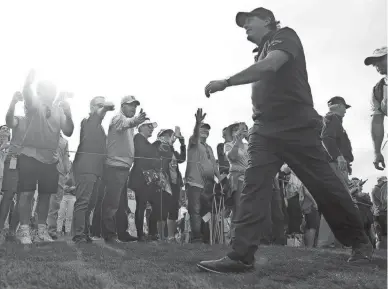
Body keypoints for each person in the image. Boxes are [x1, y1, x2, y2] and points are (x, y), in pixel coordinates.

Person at [199, 7, 372, 273]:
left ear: (267, 20)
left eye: (249, 21)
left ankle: (360, 243)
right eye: (242, 23)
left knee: (324, 185)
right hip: (264, 129)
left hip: (297, 125)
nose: (244, 26)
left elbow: (271, 66)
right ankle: (241, 255)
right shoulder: (260, 51)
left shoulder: (284, 36)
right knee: (253, 186)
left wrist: (227, 81)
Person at [16, 70, 74, 245]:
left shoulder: (58, 109)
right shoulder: (34, 103)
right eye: (48, 88)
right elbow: (27, 93)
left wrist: (69, 112)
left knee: (45, 196)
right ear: (40, 91)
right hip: (30, 154)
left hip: (51, 159)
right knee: (26, 194)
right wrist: (28, 82)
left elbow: (68, 131)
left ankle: (42, 230)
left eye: (53, 89)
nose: (52, 91)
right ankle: (24, 230)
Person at [101, 95, 146, 243]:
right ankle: (109, 234)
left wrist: (134, 122)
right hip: (115, 166)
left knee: (121, 204)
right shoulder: (118, 119)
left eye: (135, 105)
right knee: (112, 202)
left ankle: (121, 232)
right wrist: (136, 121)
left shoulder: (128, 125)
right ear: (122, 106)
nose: (134, 108)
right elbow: (126, 123)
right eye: (130, 105)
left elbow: (128, 124)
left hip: (122, 167)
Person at [71, 96, 115, 244]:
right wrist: (106, 108)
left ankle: (84, 233)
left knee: (91, 203)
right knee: (83, 202)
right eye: (99, 105)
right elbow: (98, 116)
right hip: (86, 168)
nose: (102, 107)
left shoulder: (100, 127)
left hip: (97, 171)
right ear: (91, 108)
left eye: (103, 104)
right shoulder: (88, 121)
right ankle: (78, 235)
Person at [185, 109, 222, 243]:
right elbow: (195, 134)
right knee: (195, 210)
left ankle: (206, 237)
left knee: (206, 211)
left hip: (209, 184)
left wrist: (219, 179)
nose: (205, 130)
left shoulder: (210, 148)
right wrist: (197, 123)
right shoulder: (193, 142)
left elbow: (214, 165)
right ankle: (196, 238)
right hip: (195, 182)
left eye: (207, 129)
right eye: (203, 128)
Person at [129, 119, 161, 241]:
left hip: (149, 178)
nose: (151, 128)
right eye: (148, 126)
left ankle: (152, 232)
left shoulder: (147, 142)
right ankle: (140, 234)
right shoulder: (137, 138)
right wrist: (155, 145)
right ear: (141, 127)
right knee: (141, 205)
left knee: (156, 205)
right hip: (140, 177)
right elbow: (142, 153)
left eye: (152, 126)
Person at [154, 128, 186, 242]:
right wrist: (171, 144)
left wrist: (182, 143)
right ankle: (161, 237)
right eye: (167, 135)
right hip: (163, 183)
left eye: (170, 135)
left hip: (175, 183)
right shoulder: (159, 147)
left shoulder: (172, 150)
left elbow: (182, 158)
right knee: (162, 210)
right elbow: (163, 156)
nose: (169, 137)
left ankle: (171, 236)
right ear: (161, 136)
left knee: (173, 210)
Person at [321, 96, 354, 190]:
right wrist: (338, 156)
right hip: (336, 163)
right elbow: (326, 138)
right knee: (342, 193)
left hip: (339, 163)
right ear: (339, 106)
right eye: (344, 107)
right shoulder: (333, 118)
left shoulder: (331, 119)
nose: (345, 111)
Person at [364, 46, 387, 171]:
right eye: (374, 63)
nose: (377, 65)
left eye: (381, 59)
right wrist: (377, 152)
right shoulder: (378, 90)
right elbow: (377, 121)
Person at [46, 134, 71, 240]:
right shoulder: (44, 134)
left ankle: (51, 230)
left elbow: (66, 158)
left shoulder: (64, 141)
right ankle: (39, 228)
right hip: (44, 170)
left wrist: (67, 172)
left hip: (59, 173)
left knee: (55, 203)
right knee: (42, 200)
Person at [57, 164, 76, 237]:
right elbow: (60, 184)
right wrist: (66, 187)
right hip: (63, 196)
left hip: (72, 197)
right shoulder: (63, 174)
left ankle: (67, 232)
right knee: (60, 214)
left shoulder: (76, 175)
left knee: (69, 216)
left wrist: (72, 188)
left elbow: (78, 185)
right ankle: (58, 231)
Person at [371, 176, 387, 249]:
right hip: (380, 212)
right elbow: (383, 201)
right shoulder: (377, 189)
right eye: (384, 182)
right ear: (380, 181)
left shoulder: (377, 189)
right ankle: (381, 247)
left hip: (380, 212)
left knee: (382, 231)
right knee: (382, 231)